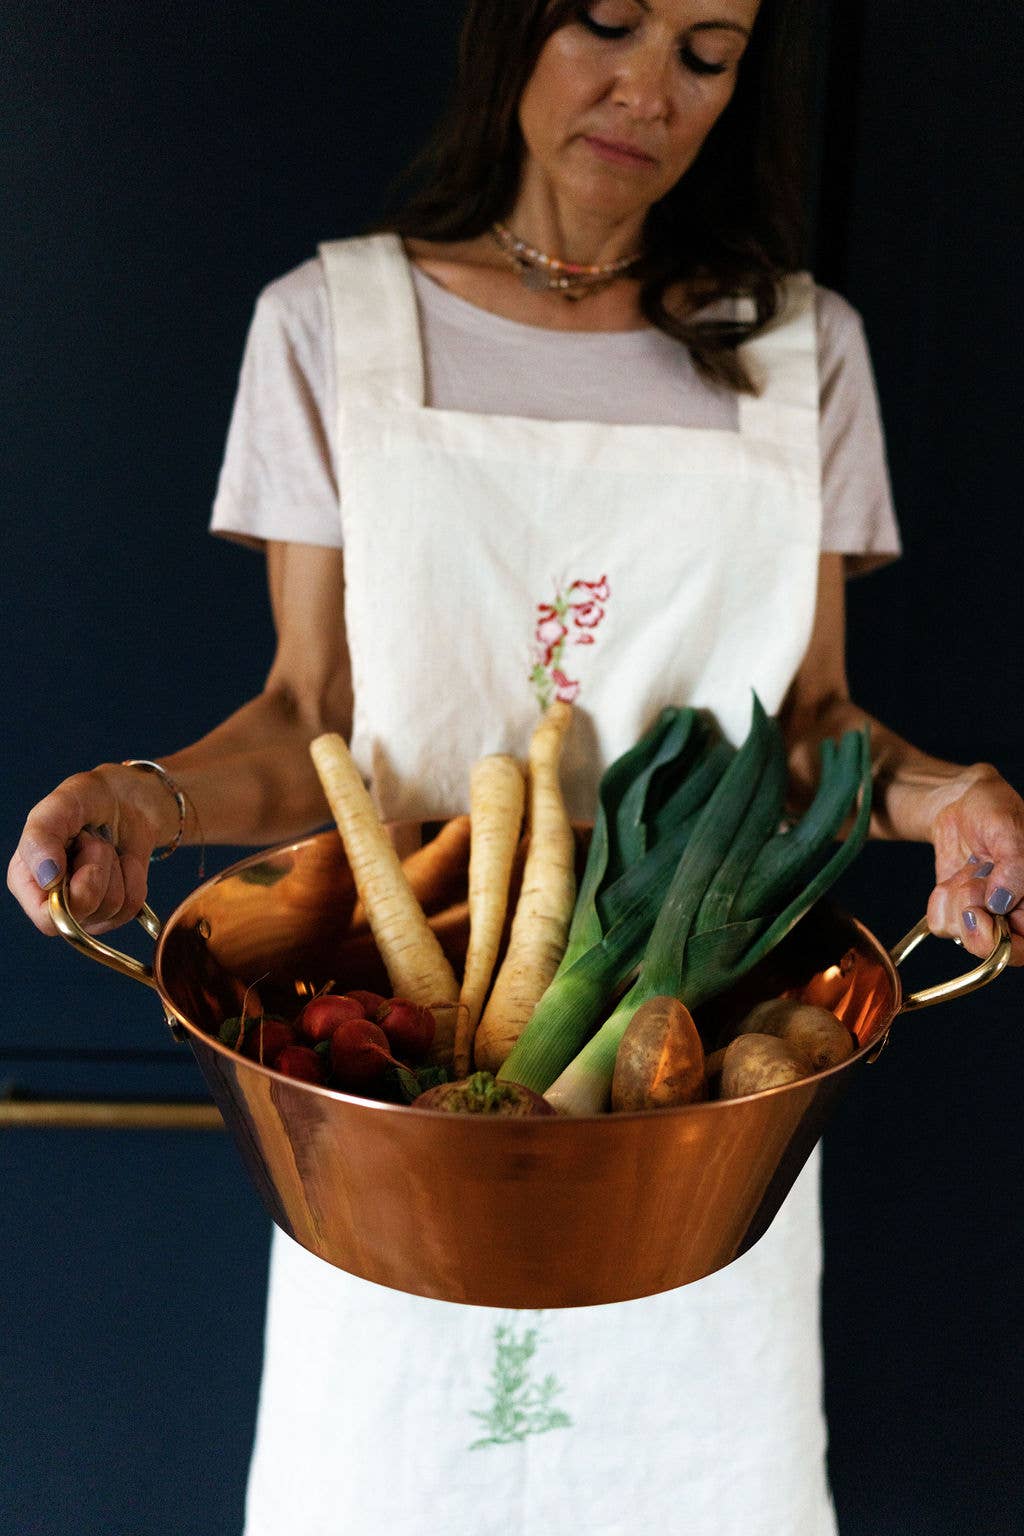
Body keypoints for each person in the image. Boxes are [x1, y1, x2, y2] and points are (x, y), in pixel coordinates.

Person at [9, 0, 1024, 1530]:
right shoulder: (332, 326)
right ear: (510, 29)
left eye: (708, 51)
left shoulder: (804, 349)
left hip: (685, 1123)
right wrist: (141, 801)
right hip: (398, 1104)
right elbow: (309, 720)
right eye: (607, 22)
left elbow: (809, 728)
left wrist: (955, 800)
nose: (649, 92)